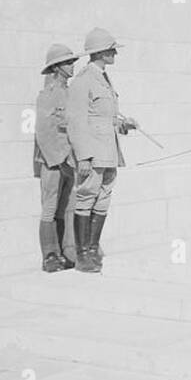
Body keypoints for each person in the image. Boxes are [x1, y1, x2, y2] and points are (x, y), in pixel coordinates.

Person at [67, 28, 137, 273]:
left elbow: (104, 118)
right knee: (86, 197)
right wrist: (83, 156)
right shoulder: (83, 81)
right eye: (111, 49)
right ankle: (82, 255)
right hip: (93, 154)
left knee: (103, 198)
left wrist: (124, 124)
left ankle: (93, 248)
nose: (115, 53)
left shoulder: (104, 78)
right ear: (100, 53)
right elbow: (76, 121)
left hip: (108, 151)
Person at [34, 43, 80, 272]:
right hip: (53, 162)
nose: (72, 66)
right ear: (57, 67)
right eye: (68, 62)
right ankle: (49, 256)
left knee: (64, 208)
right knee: (49, 208)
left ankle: (63, 252)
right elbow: (43, 131)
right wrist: (58, 159)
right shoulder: (47, 95)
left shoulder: (71, 93)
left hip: (70, 161)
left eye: (73, 62)